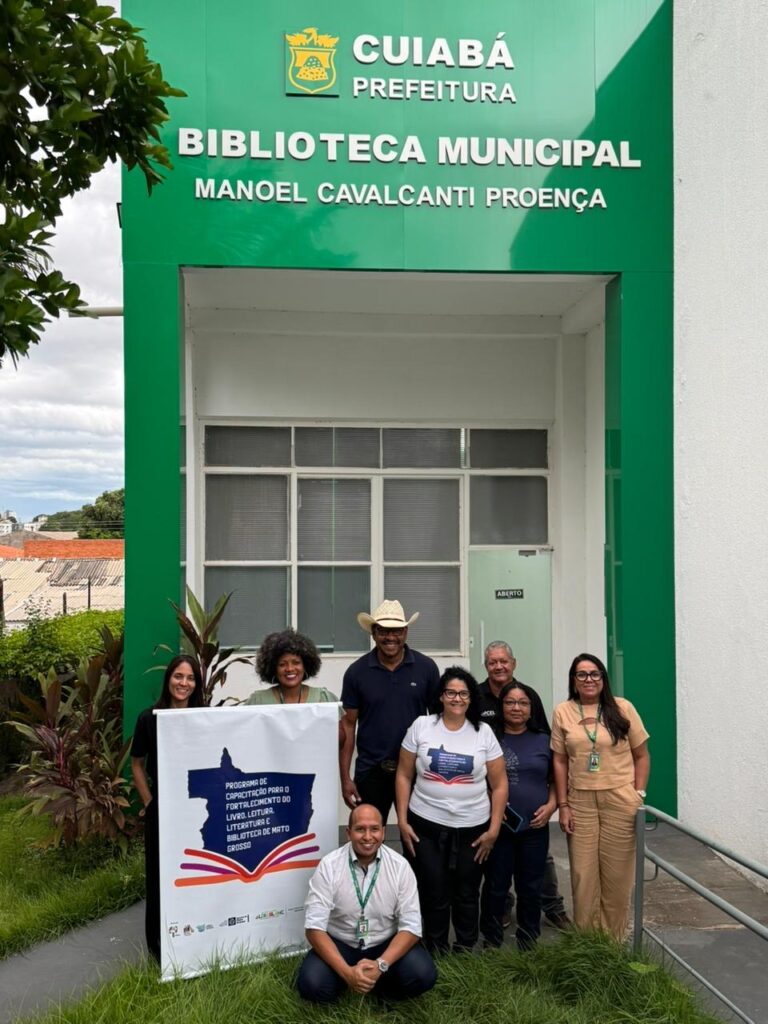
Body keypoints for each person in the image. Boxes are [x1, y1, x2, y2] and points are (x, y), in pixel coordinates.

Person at [395, 666, 508, 953]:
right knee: (433, 890)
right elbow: (404, 775)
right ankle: (435, 949)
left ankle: (465, 949)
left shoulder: (483, 733)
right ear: (441, 696)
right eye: (451, 692)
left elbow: (500, 784)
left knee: (467, 892)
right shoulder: (422, 726)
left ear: (471, 698)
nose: (457, 698)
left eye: (463, 693)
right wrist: (402, 820)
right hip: (426, 826)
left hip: (474, 829)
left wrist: (494, 829)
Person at [552, 652, 651, 940]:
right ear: (573, 680)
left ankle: (613, 943)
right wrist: (563, 805)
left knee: (617, 877)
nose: (589, 679)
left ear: (603, 678)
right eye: (581, 674)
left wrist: (638, 794)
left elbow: (642, 755)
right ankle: (587, 943)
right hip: (580, 800)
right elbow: (559, 760)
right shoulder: (563, 711)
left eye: (594, 673)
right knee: (583, 876)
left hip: (619, 798)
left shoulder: (622, 708)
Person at [297, 803, 437, 1003]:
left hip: (384, 944)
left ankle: (379, 988)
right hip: (342, 944)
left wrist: (381, 965)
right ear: (348, 833)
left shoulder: (400, 867)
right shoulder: (329, 866)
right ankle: (351, 981)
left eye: (374, 829)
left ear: (384, 832)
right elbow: (314, 928)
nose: (368, 837)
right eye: (360, 829)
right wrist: (347, 972)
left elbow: (412, 927)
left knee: (422, 974)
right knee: (312, 984)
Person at [478, 640, 571, 929]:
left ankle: (551, 904)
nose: (499, 666)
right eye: (493, 661)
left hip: (533, 814)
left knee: (539, 863)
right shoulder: (476, 697)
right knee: (496, 868)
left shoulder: (529, 696)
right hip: (492, 809)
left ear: (513, 663)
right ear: (486, 665)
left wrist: (554, 802)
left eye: (504, 661)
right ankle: (502, 911)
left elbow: (546, 750)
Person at [130, 654, 205, 961]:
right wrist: (150, 802)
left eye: (189, 678)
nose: (183, 683)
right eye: (178, 676)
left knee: (196, 873)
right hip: (163, 810)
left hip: (198, 811)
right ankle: (159, 949)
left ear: (196, 684)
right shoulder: (150, 718)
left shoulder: (205, 718)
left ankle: (196, 940)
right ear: (168, 679)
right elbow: (137, 764)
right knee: (160, 876)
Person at [340, 600, 439, 823]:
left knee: (417, 839)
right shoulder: (356, 672)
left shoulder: (427, 668)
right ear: (373, 633)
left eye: (396, 631)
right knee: (369, 836)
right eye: (383, 631)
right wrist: (345, 778)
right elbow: (348, 725)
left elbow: (438, 721)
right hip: (371, 770)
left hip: (418, 768)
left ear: (406, 632)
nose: (390, 637)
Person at [479, 681, 556, 950]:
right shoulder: (489, 737)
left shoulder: (544, 740)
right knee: (495, 886)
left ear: (532, 708)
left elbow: (557, 780)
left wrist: (552, 806)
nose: (516, 708)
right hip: (498, 827)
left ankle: (528, 942)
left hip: (535, 826)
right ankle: (491, 941)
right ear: (501, 707)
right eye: (510, 702)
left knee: (531, 887)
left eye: (523, 703)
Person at [245, 628, 337, 705]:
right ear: (273, 668)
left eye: (296, 662)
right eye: (282, 664)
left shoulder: (323, 699)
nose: (290, 669)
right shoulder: (258, 701)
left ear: (305, 665)